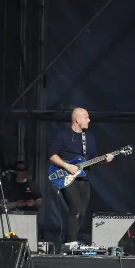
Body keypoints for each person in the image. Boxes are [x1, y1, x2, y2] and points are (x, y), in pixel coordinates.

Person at [48, 107, 112, 252]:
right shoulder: (63, 135)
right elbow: (52, 155)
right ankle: (70, 242)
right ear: (78, 119)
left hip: (83, 177)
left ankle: (69, 242)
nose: (89, 120)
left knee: (82, 212)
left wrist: (104, 160)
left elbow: (93, 159)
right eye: (86, 117)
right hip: (66, 176)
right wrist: (67, 166)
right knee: (75, 208)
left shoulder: (89, 137)